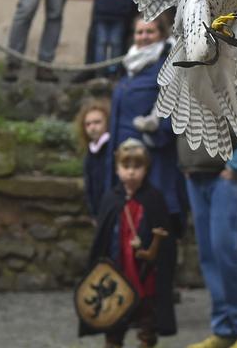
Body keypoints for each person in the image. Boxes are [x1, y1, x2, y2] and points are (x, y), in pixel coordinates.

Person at [110, 15, 183, 337]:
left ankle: (151, 310)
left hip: (154, 170)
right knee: (124, 239)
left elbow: (177, 111)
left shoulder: (167, 67)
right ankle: (126, 299)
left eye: (149, 31)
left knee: (151, 239)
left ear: (161, 34)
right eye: (139, 30)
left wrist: (155, 130)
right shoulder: (129, 65)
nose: (143, 36)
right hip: (123, 168)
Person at [80, 137, 170, 348]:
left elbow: (165, 242)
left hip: (144, 273)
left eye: (137, 166)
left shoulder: (154, 199)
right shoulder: (111, 198)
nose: (131, 171)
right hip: (117, 270)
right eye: (125, 166)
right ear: (117, 168)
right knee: (114, 318)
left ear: (146, 169)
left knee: (146, 318)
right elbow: (101, 240)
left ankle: (146, 342)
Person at [182, 131, 237, 348]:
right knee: (209, 255)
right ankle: (225, 330)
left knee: (226, 250)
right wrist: (185, 159)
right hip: (196, 171)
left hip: (229, 172)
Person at [92, 0, 137, 78]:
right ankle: (99, 71)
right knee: (101, 43)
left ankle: (113, 71)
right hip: (102, 12)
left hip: (120, 14)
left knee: (116, 43)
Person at [76, 98, 113, 218]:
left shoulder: (112, 150)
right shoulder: (90, 153)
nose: (92, 127)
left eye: (97, 122)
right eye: (88, 124)